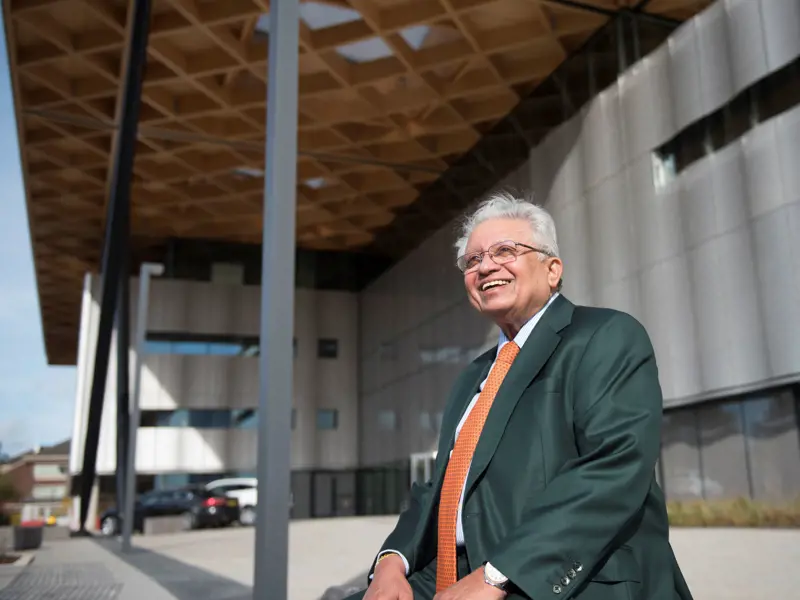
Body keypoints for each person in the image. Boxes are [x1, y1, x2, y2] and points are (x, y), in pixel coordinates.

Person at [348, 192, 694, 600]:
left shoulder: (606, 336)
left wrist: (498, 574)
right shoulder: (472, 377)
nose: (486, 266)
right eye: (472, 260)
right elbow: (439, 487)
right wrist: (391, 561)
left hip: (555, 579)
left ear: (552, 269)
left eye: (505, 250)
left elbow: (613, 467)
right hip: (448, 577)